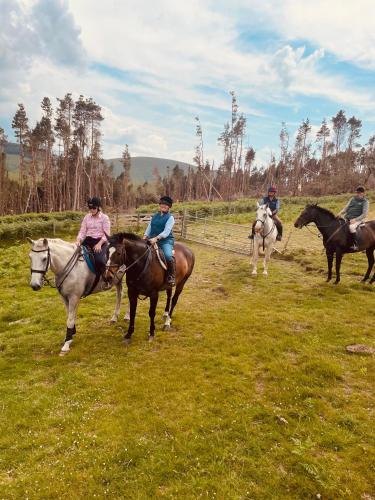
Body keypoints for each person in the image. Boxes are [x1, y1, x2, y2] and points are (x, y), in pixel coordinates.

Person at [143, 196, 176, 286]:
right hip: (152, 239)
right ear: (159, 205)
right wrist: (145, 235)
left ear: (169, 207)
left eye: (166, 205)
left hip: (165, 241)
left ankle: (171, 276)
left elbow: (166, 231)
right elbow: (149, 227)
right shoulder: (155, 216)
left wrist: (156, 238)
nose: (163, 206)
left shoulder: (170, 218)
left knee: (168, 256)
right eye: (162, 204)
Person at [76, 197, 111, 276]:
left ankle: (104, 278)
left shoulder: (105, 218)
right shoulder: (87, 217)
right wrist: (78, 240)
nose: (91, 210)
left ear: (98, 207)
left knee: (99, 260)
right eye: (90, 208)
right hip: (88, 240)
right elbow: (82, 231)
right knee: (76, 255)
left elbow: (106, 235)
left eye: (93, 208)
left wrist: (99, 244)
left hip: (100, 241)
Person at [337, 186, 369, 251]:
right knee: (339, 225)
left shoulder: (365, 202)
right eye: (357, 193)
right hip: (348, 218)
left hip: (358, 219)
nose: (357, 194)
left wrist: (355, 220)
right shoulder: (352, 199)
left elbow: (364, 214)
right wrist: (340, 213)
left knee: (351, 227)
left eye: (359, 193)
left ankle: (355, 245)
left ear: (363, 193)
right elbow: (346, 208)